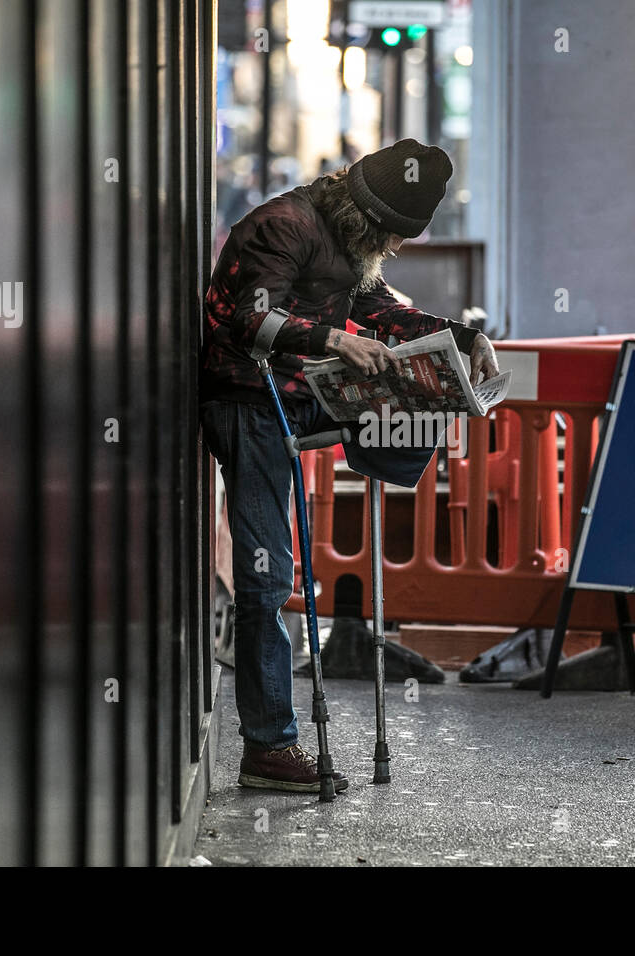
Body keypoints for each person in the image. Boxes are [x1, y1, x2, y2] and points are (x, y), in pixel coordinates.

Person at [200, 138, 499, 793]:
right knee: (267, 574)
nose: (392, 251)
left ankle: (391, 459)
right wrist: (333, 339)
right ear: (368, 219)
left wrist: (465, 340)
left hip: (299, 391)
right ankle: (268, 748)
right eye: (391, 238)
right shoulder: (284, 226)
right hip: (249, 400)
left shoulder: (348, 240)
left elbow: (381, 310)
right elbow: (246, 320)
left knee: (415, 392)